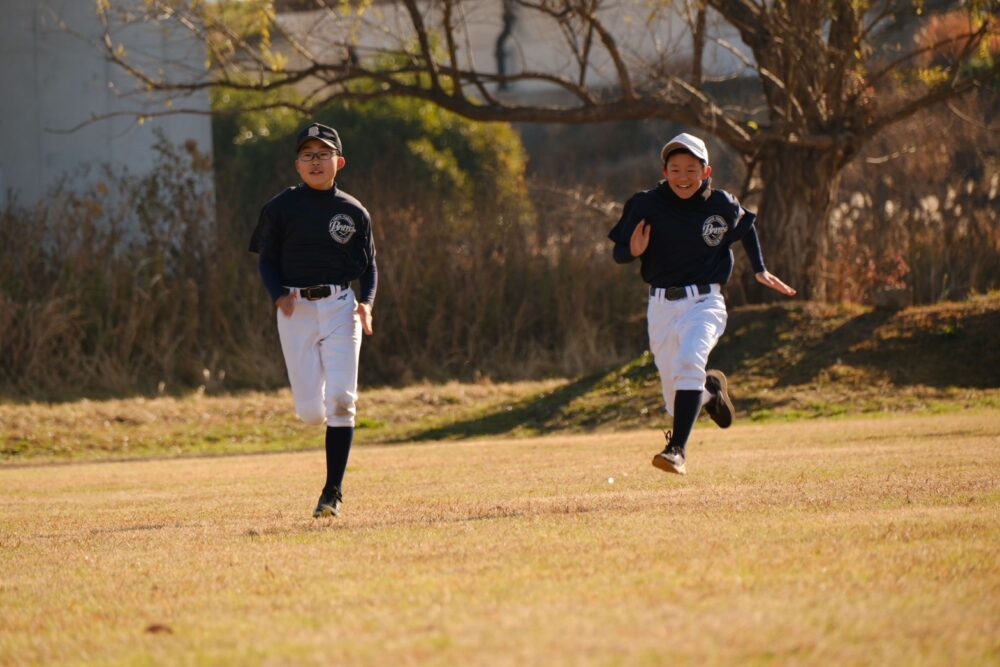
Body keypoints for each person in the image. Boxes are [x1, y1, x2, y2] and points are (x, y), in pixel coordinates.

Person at [607, 132, 796, 475]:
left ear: (706, 172)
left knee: (690, 362)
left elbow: (746, 227)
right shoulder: (646, 204)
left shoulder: (720, 204)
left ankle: (676, 451)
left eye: (691, 169)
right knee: (674, 396)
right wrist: (632, 252)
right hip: (662, 305)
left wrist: (760, 269)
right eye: (675, 169)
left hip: (705, 301)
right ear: (664, 171)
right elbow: (619, 251)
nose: (683, 177)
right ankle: (709, 394)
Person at [249, 122, 377, 516]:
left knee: (342, 401)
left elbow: (369, 267)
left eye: (323, 155)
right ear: (297, 165)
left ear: (339, 162)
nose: (315, 161)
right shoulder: (280, 207)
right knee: (310, 412)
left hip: (340, 306)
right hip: (296, 310)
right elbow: (267, 260)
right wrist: (278, 297)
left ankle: (331, 494)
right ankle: (327, 420)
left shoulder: (353, 211)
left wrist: (367, 303)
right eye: (308, 155)